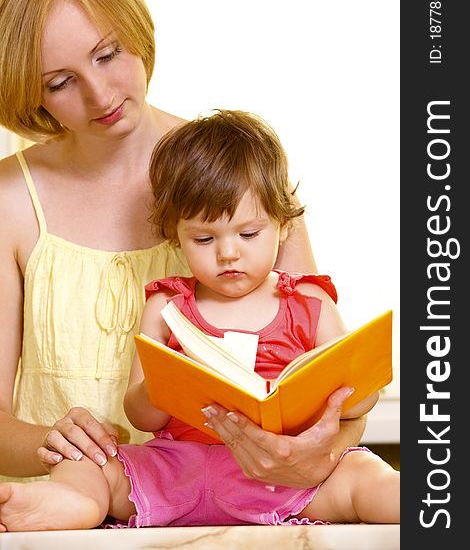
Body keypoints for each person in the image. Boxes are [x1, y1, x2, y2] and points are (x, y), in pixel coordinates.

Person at [0, 0, 365, 487]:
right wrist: (51, 444)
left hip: (240, 514)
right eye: (59, 82)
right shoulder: (11, 200)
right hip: (67, 520)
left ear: (136, 30)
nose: (101, 95)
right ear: (26, 88)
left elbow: (336, 387)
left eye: (108, 54)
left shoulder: (241, 174)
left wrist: (320, 453)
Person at [0, 109, 399, 531]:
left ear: (283, 227)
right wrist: (164, 385)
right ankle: (69, 500)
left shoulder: (308, 299)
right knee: (90, 462)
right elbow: (140, 416)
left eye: (249, 234)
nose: (228, 253)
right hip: (176, 469)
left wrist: (337, 395)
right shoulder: (167, 306)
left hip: (277, 477)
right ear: (176, 235)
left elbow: (361, 399)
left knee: (364, 476)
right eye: (205, 239)